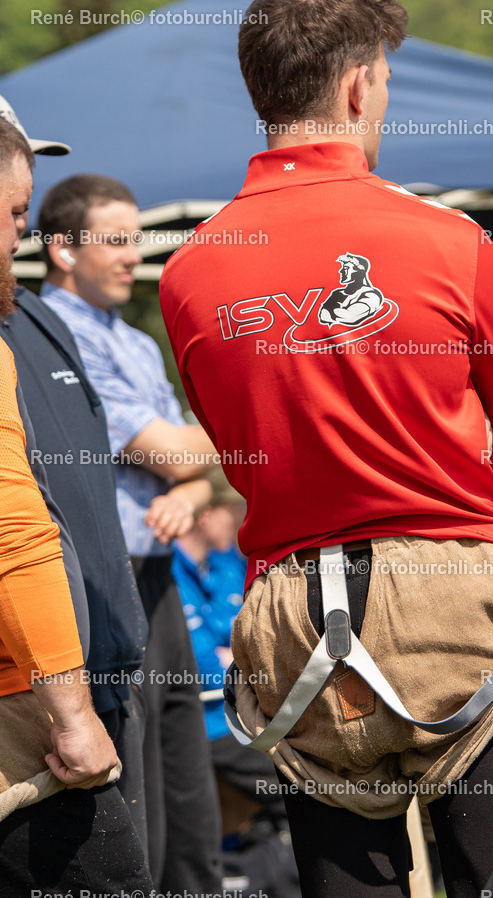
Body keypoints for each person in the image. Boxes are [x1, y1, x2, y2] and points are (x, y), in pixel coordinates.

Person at [159, 0, 493, 898]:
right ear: (356, 85)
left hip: (295, 614)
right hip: (454, 597)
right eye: (384, 79)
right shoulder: (449, 239)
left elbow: (243, 456)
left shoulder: (187, 273)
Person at [38, 174, 222, 894]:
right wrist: (199, 457)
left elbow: (193, 469)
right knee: (136, 797)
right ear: (61, 248)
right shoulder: (51, 339)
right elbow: (183, 450)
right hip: (100, 588)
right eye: (114, 241)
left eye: (135, 241)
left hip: (160, 579)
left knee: (189, 793)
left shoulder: (138, 344)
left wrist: (194, 482)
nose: (131, 258)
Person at [0, 115, 152, 896]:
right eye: (15, 213)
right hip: (34, 706)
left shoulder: (39, 322)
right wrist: (68, 708)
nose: (22, 232)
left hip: (97, 664)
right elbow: (15, 533)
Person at [172, 480, 301, 898]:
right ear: (205, 516)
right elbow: (206, 665)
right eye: (230, 513)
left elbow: (262, 642)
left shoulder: (219, 565)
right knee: (299, 785)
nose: (239, 523)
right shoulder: (172, 570)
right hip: (213, 726)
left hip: (247, 717)